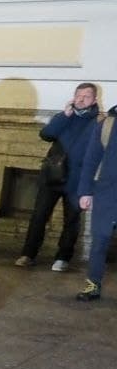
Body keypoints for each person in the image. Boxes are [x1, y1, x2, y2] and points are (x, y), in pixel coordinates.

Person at [17, 83, 101, 272]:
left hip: (77, 180)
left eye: (86, 96)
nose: (81, 99)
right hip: (53, 176)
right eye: (78, 95)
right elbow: (46, 134)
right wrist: (65, 116)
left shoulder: (97, 123)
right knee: (39, 215)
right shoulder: (64, 117)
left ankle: (63, 257)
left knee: (71, 220)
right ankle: (28, 254)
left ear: (94, 100)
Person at [75, 104, 115, 301]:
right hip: (106, 191)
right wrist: (85, 191)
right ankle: (93, 284)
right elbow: (91, 158)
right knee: (99, 239)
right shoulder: (107, 123)